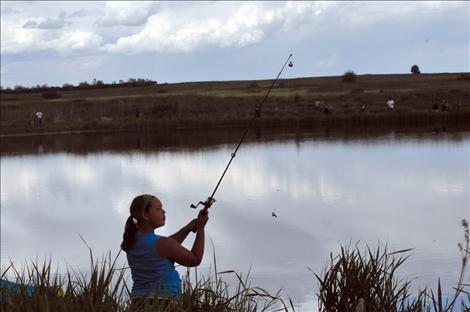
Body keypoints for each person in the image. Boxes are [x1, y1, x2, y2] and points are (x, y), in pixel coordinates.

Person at [121, 194, 213, 304]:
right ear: (145, 214)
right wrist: (201, 228)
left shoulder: (133, 242)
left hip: (138, 302)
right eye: (158, 208)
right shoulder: (162, 244)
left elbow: (164, 248)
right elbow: (195, 259)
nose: (163, 211)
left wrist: (187, 229)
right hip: (164, 302)